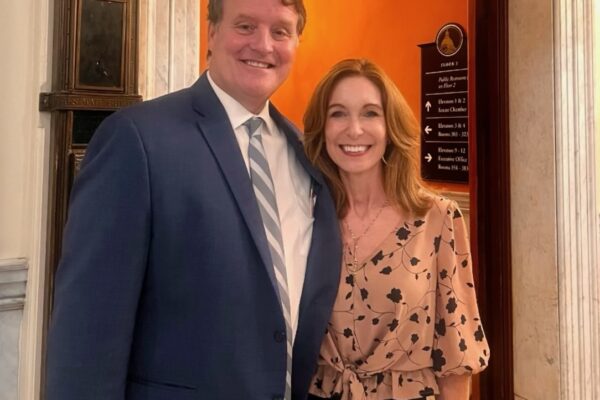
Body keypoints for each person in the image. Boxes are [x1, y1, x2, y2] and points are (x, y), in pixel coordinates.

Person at [45, 1, 341, 399]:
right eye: (246, 26)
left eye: (281, 31)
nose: (264, 45)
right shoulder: (137, 139)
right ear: (213, 32)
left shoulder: (307, 153)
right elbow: (87, 327)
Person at [302, 59, 489, 400]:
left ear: (391, 128)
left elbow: (457, 353)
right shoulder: (305, 215)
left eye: (371, 113)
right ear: (321, 127)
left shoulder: (437, 218)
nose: (354, 129)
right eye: (338, 113)